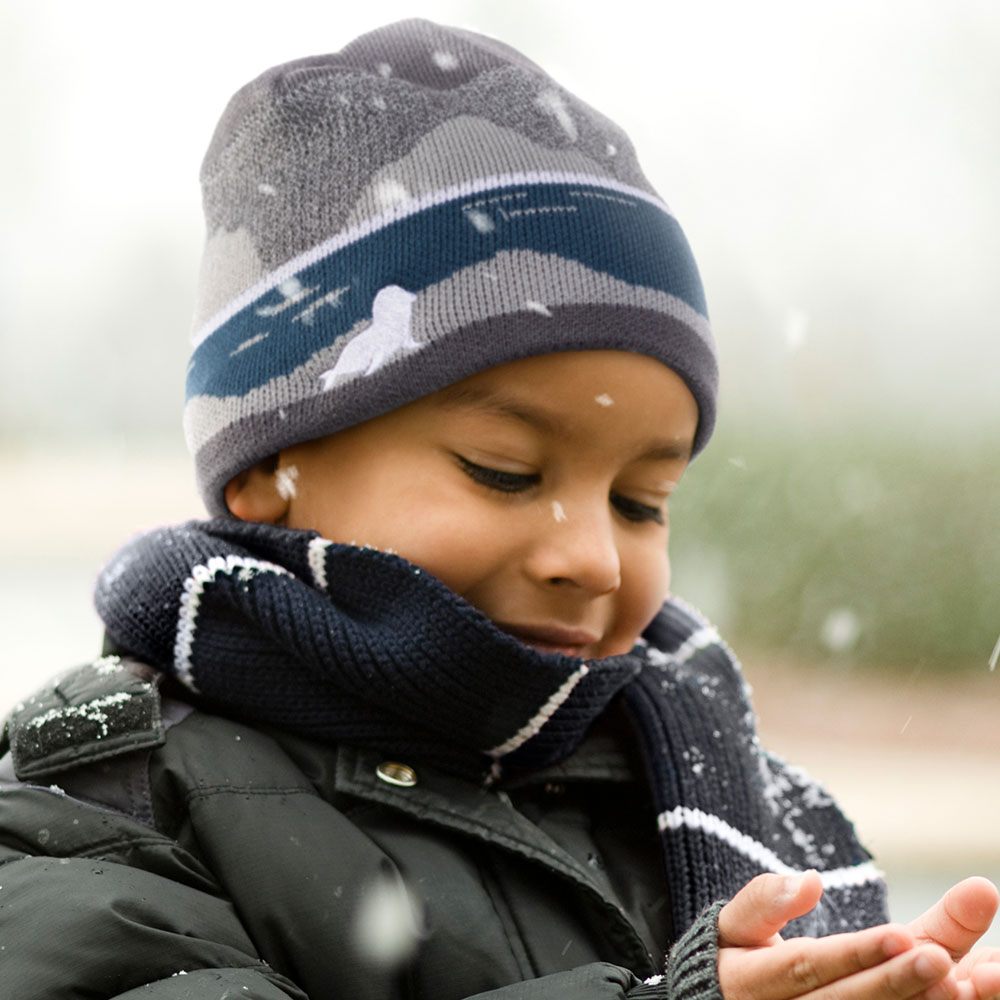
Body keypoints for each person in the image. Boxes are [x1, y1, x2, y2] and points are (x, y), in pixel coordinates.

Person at [0, 18, 997, 1000]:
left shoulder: (724, 800)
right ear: (273, 468)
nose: (595, 557)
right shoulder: (100, 803)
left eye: (641, 501)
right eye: (506, 471)